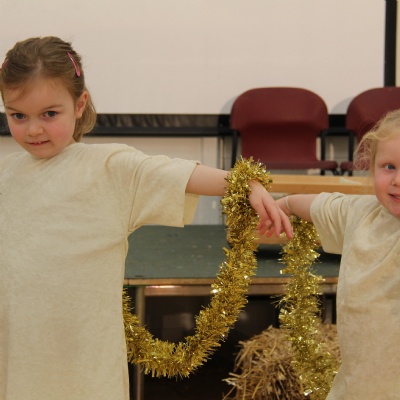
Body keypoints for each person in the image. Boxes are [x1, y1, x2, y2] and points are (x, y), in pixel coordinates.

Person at [0, 36, 292, 400]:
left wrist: (244, 184)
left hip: (84, 360)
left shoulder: (109, 168)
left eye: (49, 114)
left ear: (79, 104)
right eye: (18, 116)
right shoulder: (7, 174)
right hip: (20, 354)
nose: (33, 129)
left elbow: (174, 173)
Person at [277, 109, 400, 399]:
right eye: (389, 167)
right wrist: (284, 205)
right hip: (356, 387)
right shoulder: (363, 213)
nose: (397, 180)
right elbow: (322, 206)